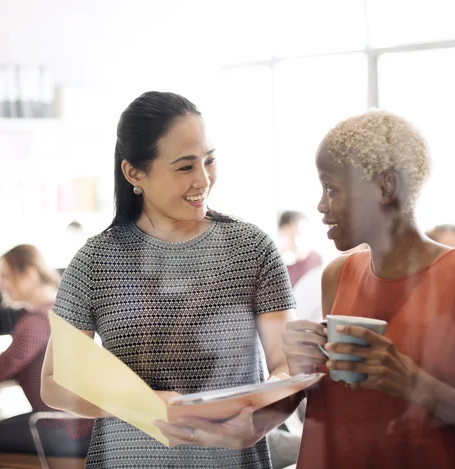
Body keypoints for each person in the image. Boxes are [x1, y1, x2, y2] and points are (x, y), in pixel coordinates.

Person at [40, 91, 300, 469]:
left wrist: (262, 414)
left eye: (209, 161)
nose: (203, 180)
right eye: (184, 167)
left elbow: (286, 366)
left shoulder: (252, 248)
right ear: (134, 173)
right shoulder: (95, 261)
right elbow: (54, 381)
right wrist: (142, 403)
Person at [283, 110, 455, 468]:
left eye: (331, 188)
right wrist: (303, 374)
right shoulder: (337, 276)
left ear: (385, 187)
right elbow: (333, 417)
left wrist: (416, 386)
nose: (321, 206)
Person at [0, 244, 92, 468]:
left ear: (29, 273)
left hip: (61, 428)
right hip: (73, 425)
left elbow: (3, 367)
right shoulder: (59, 309)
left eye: (5, 275)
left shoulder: (39, 318)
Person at [277, 211, 322, 288]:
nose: (296, 241)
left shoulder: (315, 259)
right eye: (291, 236)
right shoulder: (276, 262)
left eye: (299, 234)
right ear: (281, 234)